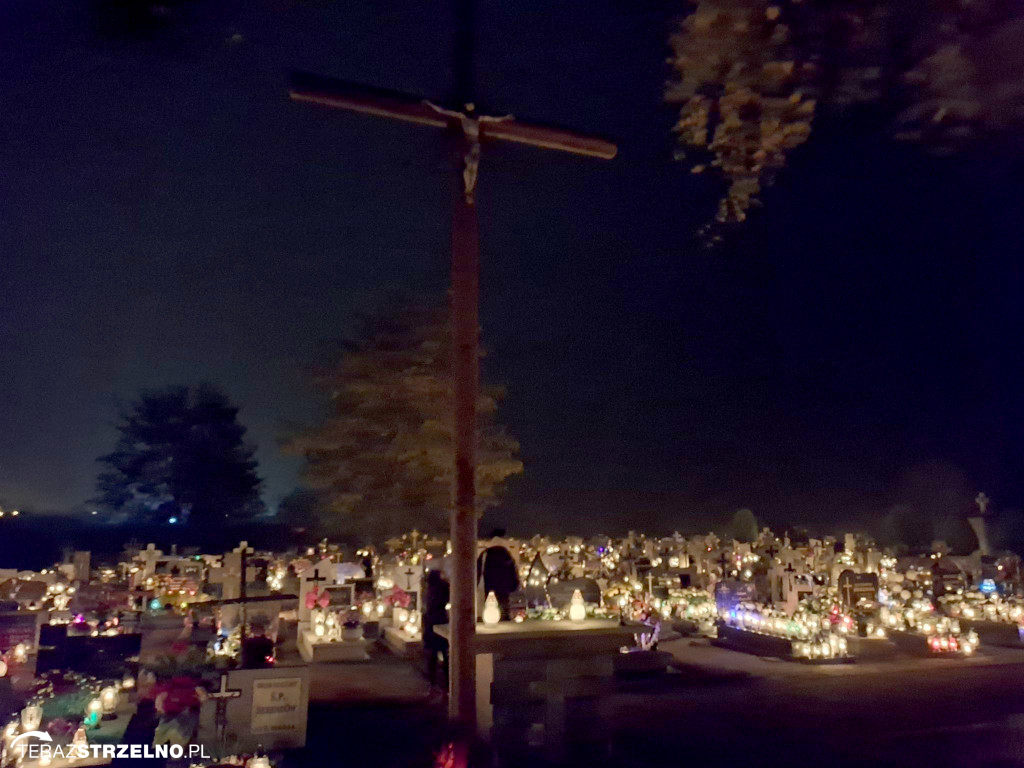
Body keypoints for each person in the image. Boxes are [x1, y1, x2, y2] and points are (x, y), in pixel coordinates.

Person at [477, 532, 520, 620]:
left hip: (488, 586)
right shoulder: (507, 555)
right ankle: (504, 619)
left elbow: (477, 570)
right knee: (503, 605)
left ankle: (489, 619)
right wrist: (513, 586)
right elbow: (513, 572)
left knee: (488, 605)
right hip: (503, 587)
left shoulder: (485, 554)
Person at [422, 568, 450, 696]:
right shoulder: (443, 587)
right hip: (441, 621)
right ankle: (447, 684)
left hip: (431, 623)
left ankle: (433, 683)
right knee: (445, 654)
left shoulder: (429, 591)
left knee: (432, 656)